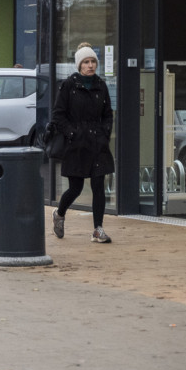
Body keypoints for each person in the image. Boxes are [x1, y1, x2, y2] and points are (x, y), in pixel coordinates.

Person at [51, 43, 115, 243]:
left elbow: (108, 115)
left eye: (93, 62)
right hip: (77, 145)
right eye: (86, 62)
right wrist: (72, 133)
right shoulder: (69, 86)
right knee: (75, 189)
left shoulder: (101, 85)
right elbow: (58, 116)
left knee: (98, 186)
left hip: (97, 143)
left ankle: (98, 229)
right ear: (79, 65)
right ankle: (59, 214)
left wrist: (104, 133)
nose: (90, 65)